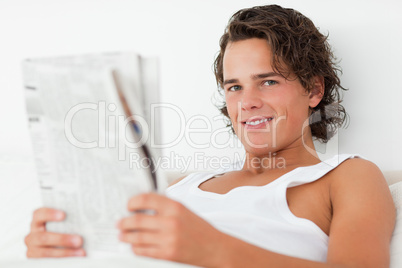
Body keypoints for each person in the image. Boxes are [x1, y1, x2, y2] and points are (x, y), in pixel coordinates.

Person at [24, 4, 395, 268]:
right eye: (234, 87)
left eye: (267, 81)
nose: (247, 102)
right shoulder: (182, 185)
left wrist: (212, 250)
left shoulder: (346, 176)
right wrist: (65, 245)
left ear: (314, 90)